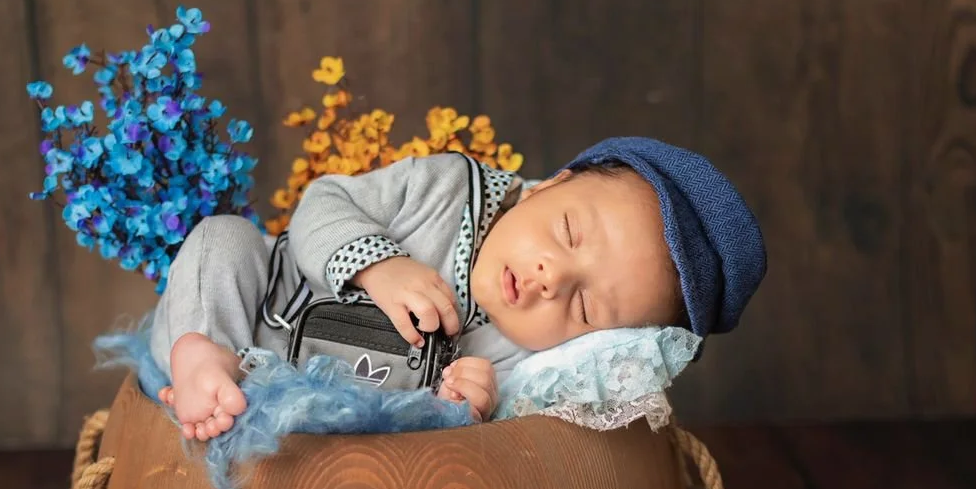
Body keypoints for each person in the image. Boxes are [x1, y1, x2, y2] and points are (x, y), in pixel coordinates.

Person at [150, 136, 767, 440]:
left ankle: (227, 393)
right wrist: (376, 264)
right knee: (223, 239)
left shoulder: (520, 354)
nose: (552, 278)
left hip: (331, 424)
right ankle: (205, 354)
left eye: (583, 307)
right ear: (549, 185)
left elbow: (459, 441)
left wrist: (465, 405)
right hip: (267, 308)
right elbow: (322, 203)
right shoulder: (447, 188)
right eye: (568, 231)